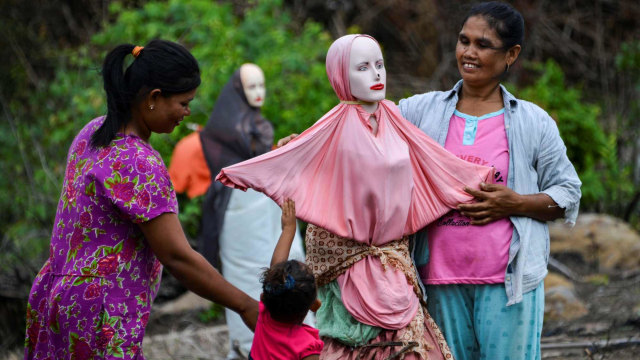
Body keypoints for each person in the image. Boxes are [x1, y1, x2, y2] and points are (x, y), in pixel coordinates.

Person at [216, 34, 497, 359]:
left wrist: (470, 178)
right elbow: (303, 161)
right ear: (340, 74)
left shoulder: (392, 117)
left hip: (393, 260)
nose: (376, 74)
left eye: (379, 65)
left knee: (410, 344)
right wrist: (256, 167)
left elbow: (429, 157)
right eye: (362, 67)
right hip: (349, 262)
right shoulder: (333, 126)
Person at [23, 40, 258, 360]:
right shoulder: (138, 162)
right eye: (184, 103)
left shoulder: (92, 133)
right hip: (100, 312)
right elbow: (177, 256)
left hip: (58, 297)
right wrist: (245, 304)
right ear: (154, 98)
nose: (187, 112)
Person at [397, 2, 582, 359]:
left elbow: (568, 191)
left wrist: (515, 203)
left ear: (511, 54)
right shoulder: (420, 111)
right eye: (463, 41)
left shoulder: (533, 121)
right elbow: (370, 131)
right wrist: (302, 143)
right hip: (437, 279)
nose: (468, 52)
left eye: (482, 45)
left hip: (507, 282)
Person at [192, 63, 309, 358]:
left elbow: (263, 163)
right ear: (237, 92)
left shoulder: (257, 123)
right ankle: (252, 347)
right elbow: (241, 169)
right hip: (240, 208)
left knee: (287, 269)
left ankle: (297, 340)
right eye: (251, 86)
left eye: (261, 85)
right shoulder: (228, 128)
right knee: (249, 275)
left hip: (266, 204)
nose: (259, 92)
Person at [249, 199, 324, 360]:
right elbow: (275, 271)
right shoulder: (307, 347)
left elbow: (275, 269)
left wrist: (288, 229)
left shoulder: (265, 317)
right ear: (314, 305)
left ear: (264, 297)